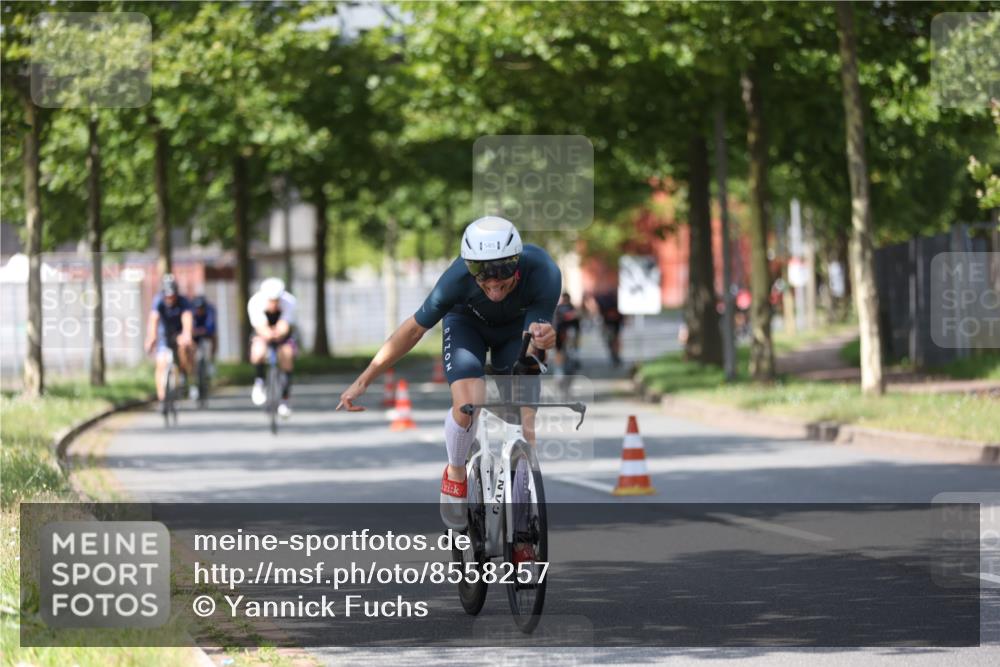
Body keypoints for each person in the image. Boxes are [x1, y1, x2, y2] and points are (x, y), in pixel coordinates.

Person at [336, 216, 561, 563]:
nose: (493, 281)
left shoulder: (544, 270)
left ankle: (521, 530)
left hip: (516, 332)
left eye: (502, 270)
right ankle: (456, 469)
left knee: (525, 422)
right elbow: (412, 331)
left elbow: (540, 332)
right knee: (470, 401)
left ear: (516, 261)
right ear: (469, 267)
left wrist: (547, 337)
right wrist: (365, 378)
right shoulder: (456, 280)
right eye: (481, 272)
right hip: (467, 326)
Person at [248, 278, 297, 418]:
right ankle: (259, 382)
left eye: (276, 300)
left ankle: (285, 399)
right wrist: (268, 334)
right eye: (271, 300)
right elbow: (260, 327)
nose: (274, 304)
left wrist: (279, 333)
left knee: (287, 355)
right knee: (258, 352)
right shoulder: (255, 302)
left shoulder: (289, 302)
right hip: (262, 331)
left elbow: (285, 325)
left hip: (283, 333)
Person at [145, 274, 195, 401]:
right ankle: (162, 397)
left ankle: (183, 374)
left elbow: (187, 317)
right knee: (161, 363)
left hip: (178, 333)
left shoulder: (183, 302)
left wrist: (187, 334)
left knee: (184, 347)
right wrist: (151, 338)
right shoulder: (158, 301)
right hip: (164, 335)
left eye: (172, 295)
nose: (170, 298)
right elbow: (154, 319)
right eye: (167, 295)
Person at [554, 292, 581, 375]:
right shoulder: (570, 308)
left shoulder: (561, 308)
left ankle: (560, 368)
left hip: (565, 332)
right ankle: (559, 368)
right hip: (562, 332)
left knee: (561, 351)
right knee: (561, 351)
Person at [191, 295, 218, 376]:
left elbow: (211, 327)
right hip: (196, 333)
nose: (199, 310)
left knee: (214, 337)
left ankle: (211, 361)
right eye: (198, 308)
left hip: (206, 332)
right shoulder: (191, 312)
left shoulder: (210, 311)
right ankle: (192, 367)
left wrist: (200, 331)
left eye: (201, 308)